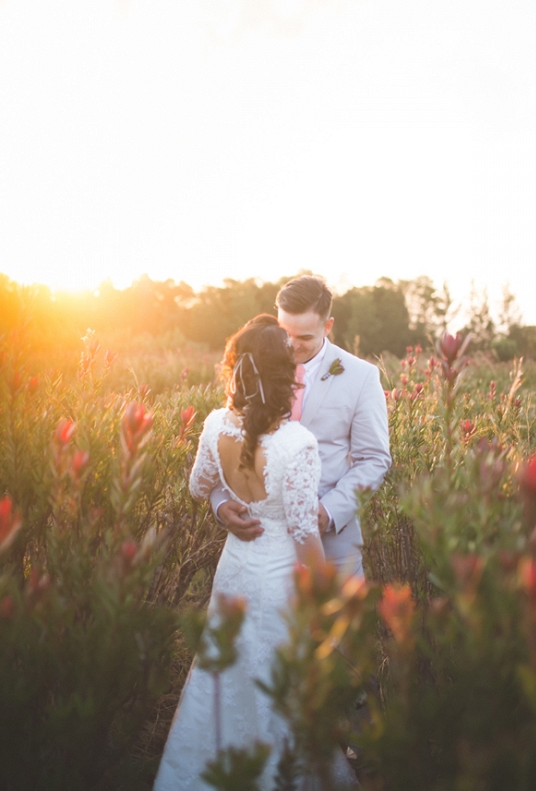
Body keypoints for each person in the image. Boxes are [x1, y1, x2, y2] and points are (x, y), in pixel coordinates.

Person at [153, 315, 358, 791]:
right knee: (277, 680)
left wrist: (223, 503)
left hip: (235, 573)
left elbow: (197, 486)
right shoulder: (296, 443)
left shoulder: (213, 425)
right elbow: (307, 536)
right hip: (280, 578)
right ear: (282, 375)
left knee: (226, 673)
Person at [212, 276, 391, 577]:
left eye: (304, 338)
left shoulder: (361, 377)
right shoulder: (253, 366)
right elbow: (229, 437)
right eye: (284, 333)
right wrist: (221, 502)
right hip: (258, 543)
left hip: (331, 547)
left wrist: (329, 511)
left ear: (328, 326)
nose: (292, 346)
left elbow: (374, 459)